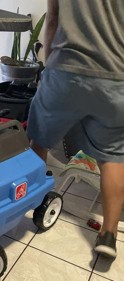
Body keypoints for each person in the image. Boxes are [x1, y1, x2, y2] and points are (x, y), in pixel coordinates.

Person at [27, 0, 124, 259]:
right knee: (113, 158)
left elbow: (53, 18)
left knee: (39, 140)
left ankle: (31, 202)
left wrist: (49, 67)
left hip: (65, 71)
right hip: (115, 77)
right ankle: (108, 235)